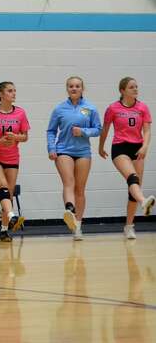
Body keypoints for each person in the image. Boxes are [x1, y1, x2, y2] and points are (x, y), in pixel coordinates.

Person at [46, 76, 101, 240]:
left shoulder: (90, 108)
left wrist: (84, 131)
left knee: (80, 189)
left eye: (77, 86)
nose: (74, 88)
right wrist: (51, 148)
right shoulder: (59, 109)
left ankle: (78, 226)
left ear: (82, 88)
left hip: (83, 151)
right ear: (67, 89)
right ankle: (69, 210)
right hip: (63, 150)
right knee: (68, 182)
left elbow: (98, 129)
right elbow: (50, 131)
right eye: (71, 86)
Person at [99, 77, 154, 239]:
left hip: (138, 148)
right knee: (132, 178)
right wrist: (100, 146)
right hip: (120, 147)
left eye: (136, 87)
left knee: (133, 189)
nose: (135, 89)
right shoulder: (113, 108)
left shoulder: (143, 107)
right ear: (122, 91)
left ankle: (129, 226)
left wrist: (144, 146)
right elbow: (105, 129)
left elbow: (147, 130)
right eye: (131, 87)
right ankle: (144, 201)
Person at [0, 82, 30, 242]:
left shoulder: (20, 113)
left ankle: (4, 230)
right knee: (1, 186)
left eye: (14, 90)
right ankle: (12, 216)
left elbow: (25, 136)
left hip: (12, 158)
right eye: (10, 91)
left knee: (8, 192)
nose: (14, 93)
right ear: (1, 94)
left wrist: (16, 138)